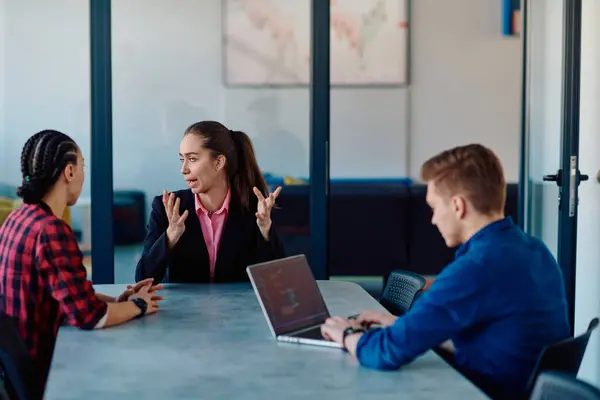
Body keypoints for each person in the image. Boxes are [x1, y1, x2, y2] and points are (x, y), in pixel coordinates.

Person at [320, 144, 570, 399]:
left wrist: (346, 334)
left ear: (458, 206)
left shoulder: (476, 268)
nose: (433, 219)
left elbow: (385, 352)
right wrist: (402, 325)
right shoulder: (535, 251)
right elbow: (495, 344)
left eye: (434, 207)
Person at [0, 130, 164, 391]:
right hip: (47, 372)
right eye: (82, 165)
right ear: (69, 172)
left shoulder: (16, 220)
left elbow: (65, 294)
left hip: (17, 371)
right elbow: (89, 317)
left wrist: (118, 301)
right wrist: (139, 306)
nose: (83, 174)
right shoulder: (50, 230)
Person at [135, 120, 285, 284]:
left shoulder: (254, 209)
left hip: (238, 308)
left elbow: (277, 279)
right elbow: (143, 278)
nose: (183, 169)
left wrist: (265, 232)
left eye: (192, 159)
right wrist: (170, 237)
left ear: (219, 162)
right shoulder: (167, 207)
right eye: (182, 159)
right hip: (183, 308)